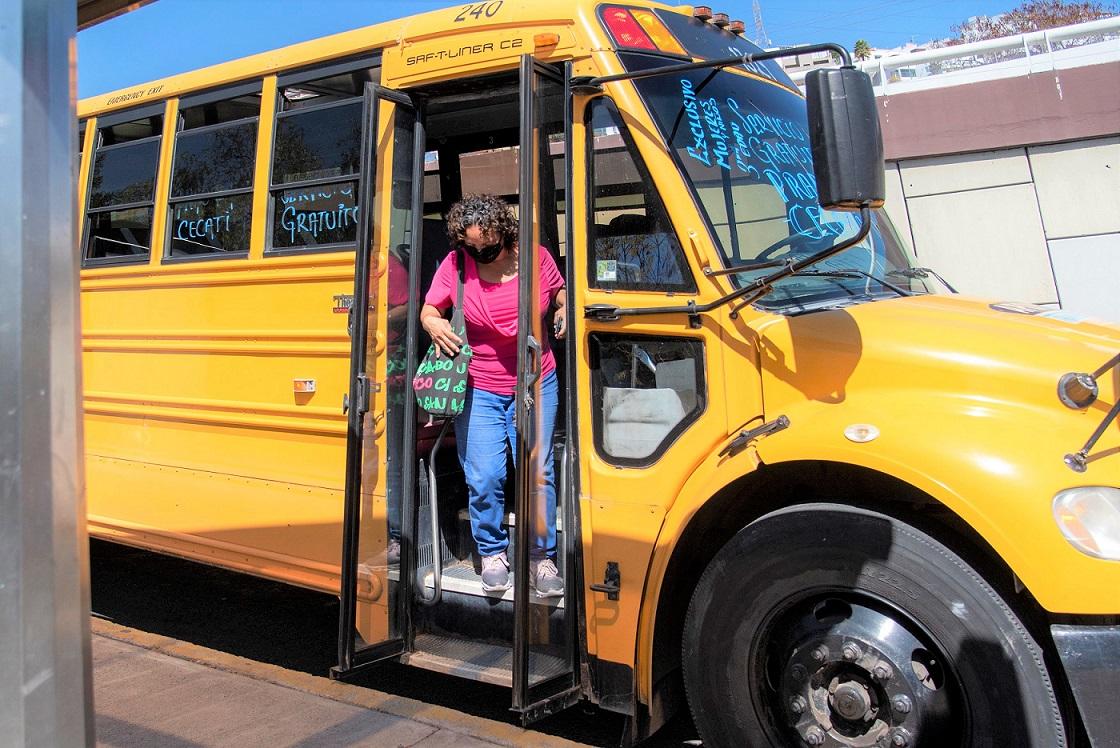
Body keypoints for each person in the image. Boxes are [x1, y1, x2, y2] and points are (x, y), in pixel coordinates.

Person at [420, 194, 567, 597]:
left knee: (537, 473)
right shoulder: (456, 265)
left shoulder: (535, 259)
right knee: (484, 475)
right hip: (480, 385)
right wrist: (433, 325)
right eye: (471, 247)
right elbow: (429, 309)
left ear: (505, 234)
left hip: (535, 380)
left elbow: (560, 293)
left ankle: (542, 558)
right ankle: (492, 551)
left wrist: (562, 309)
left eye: (488, 246)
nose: (481, 253)